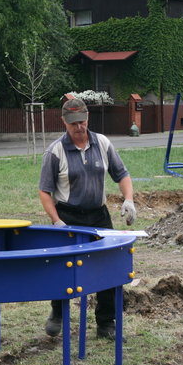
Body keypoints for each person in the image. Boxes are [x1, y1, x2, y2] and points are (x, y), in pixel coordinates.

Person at [38, 97, 136, 340]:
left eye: (82, 122)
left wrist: (129, 199)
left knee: (108, 267)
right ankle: (58, 312)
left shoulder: (102, 143)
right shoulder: (55, 151)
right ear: (64, 122)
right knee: (64, 269)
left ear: (88, 118)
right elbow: (44, 191)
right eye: (73, 124)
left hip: (99, 216)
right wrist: (57, 221)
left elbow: (122, 174)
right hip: (68, 218)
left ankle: (106, 323)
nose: (79, 127)